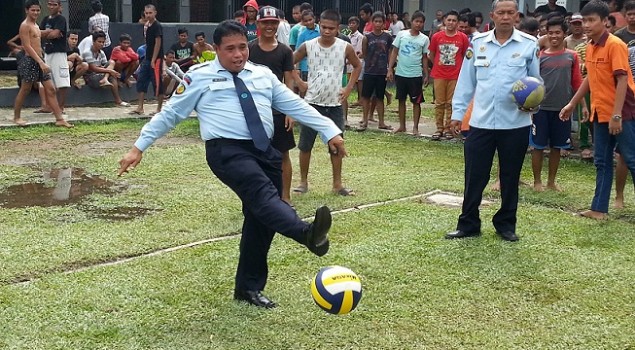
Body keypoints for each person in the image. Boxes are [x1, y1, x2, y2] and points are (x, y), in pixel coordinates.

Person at [118, 20, 345, 309]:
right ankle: (305, 233)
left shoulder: (262, 75)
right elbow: (171, 114)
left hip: (266, 150)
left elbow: (293, 104)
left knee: (261, 220)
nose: (238, 55)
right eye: (230, 49)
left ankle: (248, 289)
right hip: (227, 151)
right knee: (264, 196)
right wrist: (139, 147)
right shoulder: (197, 76)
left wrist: (329, 130)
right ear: (216, 50)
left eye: (242, 48)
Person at [446, 0, 541, 242]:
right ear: (493, 15)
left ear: (517, 16)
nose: (506, 17)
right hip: (481, 122)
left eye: (511, 12)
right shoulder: (478, 44)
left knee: (510, 176)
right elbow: (467, 81)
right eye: (501, 12)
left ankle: (506, 225)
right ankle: (468, 223)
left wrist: (533, 102)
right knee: (475, 175)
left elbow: (536, 82)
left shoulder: (529, 45)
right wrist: (457, 114)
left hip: (515, 123)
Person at [560, 0, 635, 219]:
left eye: (592, 20)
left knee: (631, 159)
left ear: (605, 21)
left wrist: (617, 115)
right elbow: (590, 79)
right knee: (601, 161)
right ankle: (599, 209)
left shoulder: (615, 45)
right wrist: (572, 103)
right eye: (585, 20)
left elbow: (622, 80)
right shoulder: (590, 46)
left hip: (623, 112)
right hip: (600, 112)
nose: (587, 24)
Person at [293, 9, 362, 196]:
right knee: (305, 145)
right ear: (318, 24)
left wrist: (348, 88)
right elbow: (289, 61)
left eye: (331, 28)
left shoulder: (344, 47)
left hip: (334, 105)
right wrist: (299, 82)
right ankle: (303, 182)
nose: (326, 31)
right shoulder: (309, 45)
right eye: (323, 27)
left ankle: (337, 184)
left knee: (337, 145)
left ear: (338, 28)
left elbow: (357, 65)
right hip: (312, 104)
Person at [248, 6, 298, 206]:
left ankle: (285, 196)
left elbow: (289, 82)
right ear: (258, 24)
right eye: (265, 23)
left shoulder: (285, 51)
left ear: (278, 24)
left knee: (282, 154)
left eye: (273, 23)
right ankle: (261, 195)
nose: (269, 26)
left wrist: (290, 110)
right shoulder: (249, 48)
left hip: (278, 111)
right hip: (254, 110)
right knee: (254, 155)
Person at [530, 17, 585, 192]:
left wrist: (583, 105)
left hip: (563, 110)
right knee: (537, 147)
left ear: (564, 33)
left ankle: (551, 182)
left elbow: (577, 83)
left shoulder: (572, 56)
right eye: (550, 33)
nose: (554, 36)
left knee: (557, 147)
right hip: (540, 109)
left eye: (558, 32)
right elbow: (532, 82)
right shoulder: (539, 56)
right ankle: (537, 181)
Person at [13, 0, 72, 128]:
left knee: (50, 89)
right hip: (31, 61)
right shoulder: (25, 25)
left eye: (37, 10)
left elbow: (40, 35)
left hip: (40, 60)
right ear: (26, 10)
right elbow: (27, 46)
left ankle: (59, 119)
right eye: (33, 10)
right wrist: (40, 62)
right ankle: (16, 117)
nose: (35, 12)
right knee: (25, 89)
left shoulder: (36, 25)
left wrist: (51, 33)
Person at [428, 10, 470, 140]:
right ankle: (439, 128)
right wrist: (437, 65)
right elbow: (432, 54)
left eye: (454, 20)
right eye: (449, 20)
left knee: (451, 103)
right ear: (444, 21)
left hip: (455, 75)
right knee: (439, 102)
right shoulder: (437, 37)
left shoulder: (462, 37)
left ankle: (448, 128)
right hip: (439, 74)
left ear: (457, 23)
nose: (451, 23)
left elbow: (465, 55)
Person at [387, 11, 430, 135]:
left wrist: (426, 74)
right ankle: (402, 126)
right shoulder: (401, 34)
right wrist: (390, 68)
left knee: (416, 102)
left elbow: (424, 57)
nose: (418, 24)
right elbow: (394, 51)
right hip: (401, 73)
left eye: (421, 22)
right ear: (412, 21)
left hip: (416, 74)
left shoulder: (424, 39)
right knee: (401, 100)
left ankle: (415, 127)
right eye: (416, 21)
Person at [359, 11, 393, 131]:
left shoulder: (387, 37)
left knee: (380, 97)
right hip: (369, 71)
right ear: (372, 22)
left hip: (381, 71)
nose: (378, 24)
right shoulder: (366, 37)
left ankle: (381, 122)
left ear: (384, 23)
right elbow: (364, 53)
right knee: (366, 97)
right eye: (376, 21)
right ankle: (365, 120)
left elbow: (389, 52)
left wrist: (390, 69)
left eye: (380, 21)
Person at [130, 4, 164, 116]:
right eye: (146, 13)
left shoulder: (157, 26)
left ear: (155, 13)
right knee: (141, 80)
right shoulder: (147, 25)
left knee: (157, 83)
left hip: (156, 59)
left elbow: (157, 43)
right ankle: (140, 107)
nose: (148, 15)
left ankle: (159, 109)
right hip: (147, 58)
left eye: (150, 13)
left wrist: (154, 60)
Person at [82, 31, 129, 107]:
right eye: (99, 42)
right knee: (111, 74)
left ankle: (105, 79)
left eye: (103, 42)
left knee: (112, 62)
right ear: (93, 41)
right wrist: (110, 70)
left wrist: (107, 70)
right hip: (90, 77)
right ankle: (118, 100)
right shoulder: (87, 52)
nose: (101, 44)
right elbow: (93, 68)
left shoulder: (101, 52)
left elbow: (105, 65)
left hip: (101, 75)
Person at [40, 0, 70, 113]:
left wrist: (47, 33)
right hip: (47, 53)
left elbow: (55, 34)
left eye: (54, 4)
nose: (52, 7)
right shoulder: (45, 19)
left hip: (59, 54)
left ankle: (61, 107)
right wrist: (49, 32)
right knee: (47, 81)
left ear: (59, 6)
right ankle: (48, 106)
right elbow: (38, 33)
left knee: (62, 82)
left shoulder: (61, 19)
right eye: (50, 4)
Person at [295, 10, 320, 82]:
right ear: (302, 22)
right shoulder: (302, 35)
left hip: (320, 65)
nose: (309, 22)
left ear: (314, 18)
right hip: (305, 66)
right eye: (306, 21)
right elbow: (298, 52)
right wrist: (297, 68)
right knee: (306, 88)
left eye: (310, 20)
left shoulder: (321, 31)